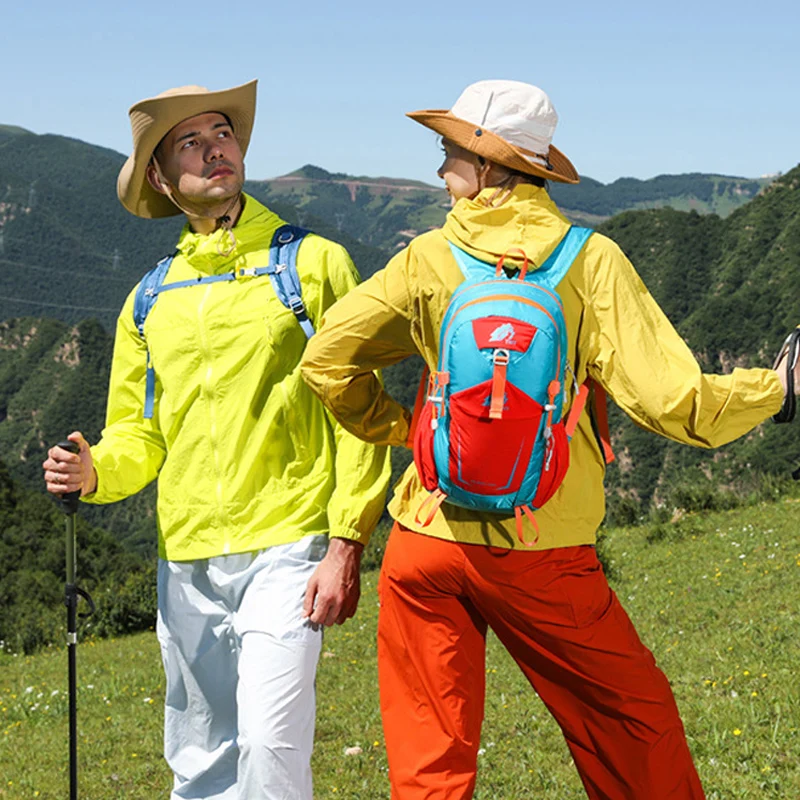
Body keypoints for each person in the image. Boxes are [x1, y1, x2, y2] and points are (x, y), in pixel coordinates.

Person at [300, 80, 800, 799]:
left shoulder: (428, 259)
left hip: (424, 541)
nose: (440, 174)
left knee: (429, 767)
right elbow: (675, 402)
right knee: (633, 722)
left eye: (450, 157)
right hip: (540, 547)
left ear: (492, 167)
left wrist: (404, 432)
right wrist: (777, 390)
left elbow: (326, 361)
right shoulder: (590, 262)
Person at [42, 80, 390, 800]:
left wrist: (346, 540)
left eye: (223, 134)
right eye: (191, 143)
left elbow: (357, 411)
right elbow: (138, 432)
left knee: (267, 745)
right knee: (199, 760)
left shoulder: (315, 265)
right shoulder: (149, 299)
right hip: (187, 556)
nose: (215, 149)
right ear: (163, 180)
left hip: (289, 545)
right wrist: (95, 471)